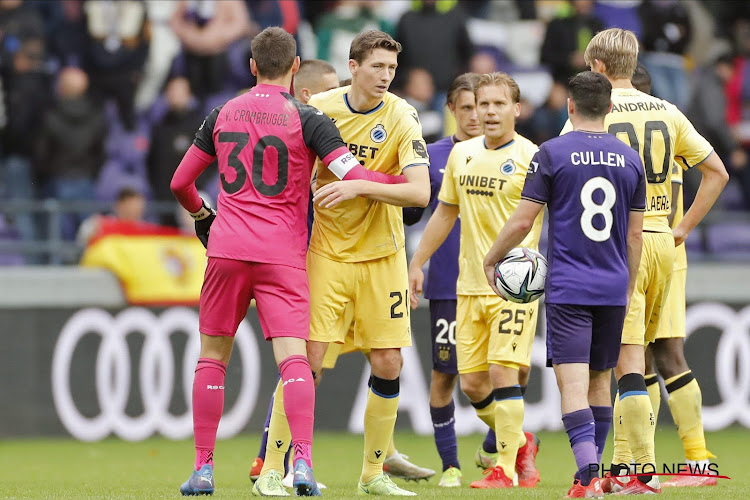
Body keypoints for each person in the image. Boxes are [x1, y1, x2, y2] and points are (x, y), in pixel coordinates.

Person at [170, 27, 364, 497]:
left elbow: (180, 183)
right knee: (294, 359)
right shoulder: (309, 119)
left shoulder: (222, 113)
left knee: (213, 357)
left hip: (227, 249)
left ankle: (203, 470)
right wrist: (403, 184)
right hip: (282, 254)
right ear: (295, 68)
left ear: (252, 66)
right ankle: (301, 466)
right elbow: (352, 177)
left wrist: (202, 215)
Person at [256, 30, 431, 497]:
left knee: (389, 361)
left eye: (392, 69)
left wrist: (359, 184)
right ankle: (273, 469)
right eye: (377, 67)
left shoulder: (402, 116)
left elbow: (420, 192)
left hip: (383, 255)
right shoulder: (319, 110)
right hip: (327, 254)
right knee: (306, 360)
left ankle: (373, 475)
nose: (386, 77)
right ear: (353, 66)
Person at [569, 28, 728, 495]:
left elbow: (564, 167)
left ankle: (637, 472)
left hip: (614, 245)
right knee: (654, 356)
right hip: (663, 240)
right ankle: (641, 464)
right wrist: (683, 228)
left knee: (627, 363)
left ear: (596, 67)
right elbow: (716, 172)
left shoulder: (594, 111)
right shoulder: (668, 110)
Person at [484, 70, 646, 498]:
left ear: (569, 106)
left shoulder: (551, 153)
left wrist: (492, 257)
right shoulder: (631, 159)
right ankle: (592, 476)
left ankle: (589, 476)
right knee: (599, 382)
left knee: (573, 386)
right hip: (613, 286)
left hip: (569, 287)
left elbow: (523, 220)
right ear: (609, 108)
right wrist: (627, 287)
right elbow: (634, 236)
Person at [408, 72, 542, 490]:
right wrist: (417, 263)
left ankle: (503, 469)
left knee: (503, 373)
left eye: (498, 104)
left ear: (516, 110)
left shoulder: (532, 157)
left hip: (513, 285)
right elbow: (445, 214)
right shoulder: (460, 156)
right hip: (467, 286)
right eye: (483, 104)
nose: (488, 112)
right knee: (472, 383)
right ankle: (521, 442)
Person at [402, 72, 499, 488]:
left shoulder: (515, 155)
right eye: (466, 107)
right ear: (451, 110)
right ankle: (452, 466)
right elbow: (417, 213)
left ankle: (502, 440)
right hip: (449, 283)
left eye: (482, 106)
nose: (476, 115)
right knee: (446, 375)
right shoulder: (433, 157)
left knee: (507, 372)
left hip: (501, 285)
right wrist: (415, 264)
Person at [632, 64, 718, 489]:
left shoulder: (632, 124)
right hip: (666, 249)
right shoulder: (670, 132)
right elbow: (710, 169)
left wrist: (680, 228)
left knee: (656, 356)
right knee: (651, 356)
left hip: (649, 248)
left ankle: (691, 461)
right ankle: (665, 461)